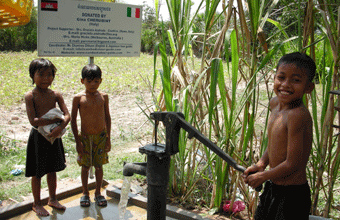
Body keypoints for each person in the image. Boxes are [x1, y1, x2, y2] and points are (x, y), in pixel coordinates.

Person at [243, 52, 316, 220]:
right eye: (281, 77)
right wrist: (261, 164)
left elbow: (293, 164)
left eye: (296, 80)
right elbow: (275, 143)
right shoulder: (274, 104)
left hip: (292, 196)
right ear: (274, 78)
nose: (286, 84)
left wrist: (263, 176)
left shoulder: (298, 116)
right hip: (272, 188)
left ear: (308, 88)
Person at [25, 58, 70, 216]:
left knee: (52, 170)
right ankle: (37, 203)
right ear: (32, 76)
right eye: (41, 75)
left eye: (49, 75)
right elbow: (34, 121)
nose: (46, 79)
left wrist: (60, 128)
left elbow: (67, 115)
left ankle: (53, 198)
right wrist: (54, 120)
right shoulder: (30, 96)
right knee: (37, 172)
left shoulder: (56, 95)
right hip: (38, 138)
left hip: (54, 136)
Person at [71, 64, 111, 207]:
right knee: (85, 167)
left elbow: (107, 117)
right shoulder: (78, 98)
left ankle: (98, 193)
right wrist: (78, 141)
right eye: (89, 81)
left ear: (101, 80)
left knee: (99, 166)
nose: (93, 85)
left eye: (96, 81)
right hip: (86, 138)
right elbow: (73, 121)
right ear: (82, 81)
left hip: (100, 137)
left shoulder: (103, 96)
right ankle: (85, 193)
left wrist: (108, 139)